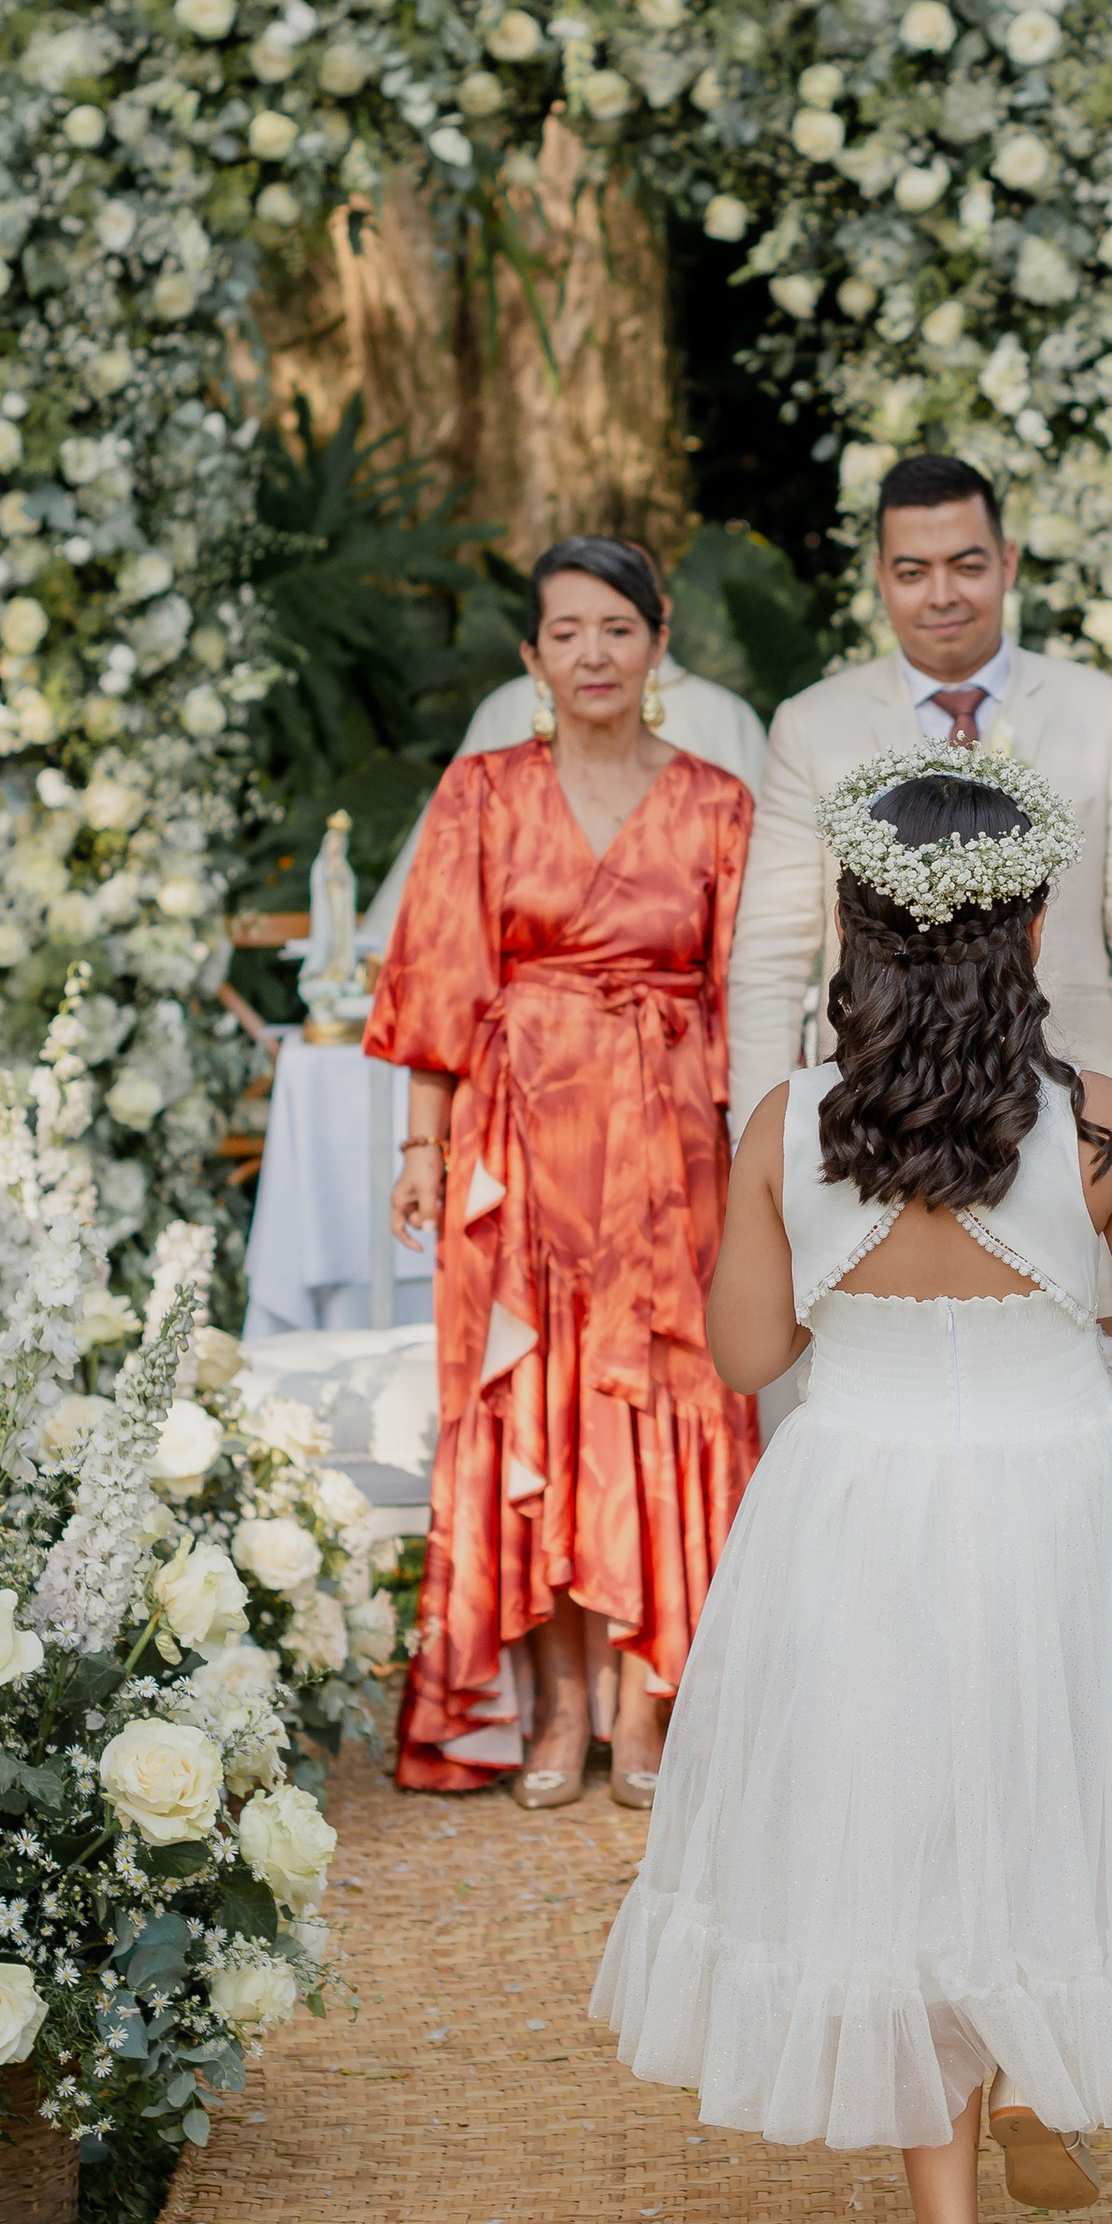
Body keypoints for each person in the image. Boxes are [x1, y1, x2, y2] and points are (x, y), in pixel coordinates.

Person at [592, 749, 1112, 2224]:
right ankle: (1036, 2055)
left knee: (897, 1843)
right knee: (1051, 1789)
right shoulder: (1097, 1126)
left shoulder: (786, 1127)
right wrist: (1058, 1337)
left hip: (863, 1500)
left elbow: (750, 1349)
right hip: (1061, 1494)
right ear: (1029, 928)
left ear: (858, 931)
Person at [370, 535, 761, 1808]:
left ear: (658, 645)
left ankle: (651, 1707)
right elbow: (436, 973)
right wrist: (423, 1147)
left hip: (671, 1150)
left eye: (618, 628)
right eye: (567, 632)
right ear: (532, 657)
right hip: (515, 1146)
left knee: (664, 1400)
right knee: (523, 1404)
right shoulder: (481, 791)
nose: (593, 653)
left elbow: (750, 993)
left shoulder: (715, 801)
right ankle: (549, 1713)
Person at [724, 453, 1112, 1133]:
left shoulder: (1102, 711)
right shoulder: (811, 724)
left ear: (1007, 563)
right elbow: (770, 951)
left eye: (966, 566)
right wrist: (763, 1136)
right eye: (913, 572)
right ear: (882, 577)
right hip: (870, 1110)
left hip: (1070, 1107)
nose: (941, 594)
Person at [356, 589, 763, 966]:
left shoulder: (723, 716)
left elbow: (760, 880)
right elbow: (452, 857)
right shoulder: (512, 705)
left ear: (661, 607)